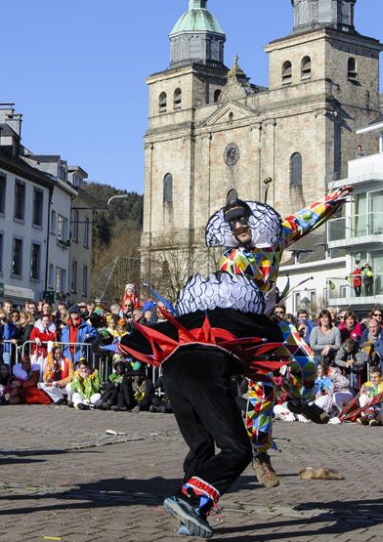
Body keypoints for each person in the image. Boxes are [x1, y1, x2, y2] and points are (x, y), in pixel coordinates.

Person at [120, 274, 287, 538]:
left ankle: (192, 515)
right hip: (206, 370)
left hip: (172, 373)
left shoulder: (191, 317)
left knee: (201, 445)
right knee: (238, 449)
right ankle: (188, 499)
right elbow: (275, 336)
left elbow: (129, 341)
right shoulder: (248, 318)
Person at [207, 187, 350, 488]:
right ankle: (260, 456)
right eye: (232, 224)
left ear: (251, 219)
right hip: (248, 331)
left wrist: (332, 201)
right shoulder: (231, 261)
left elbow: (303, 220)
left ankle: (299, 401)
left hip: (274, 322)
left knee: (308, 366)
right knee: (263, 393)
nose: (239, 227)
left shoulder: (274, 237)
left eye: (242, 220)